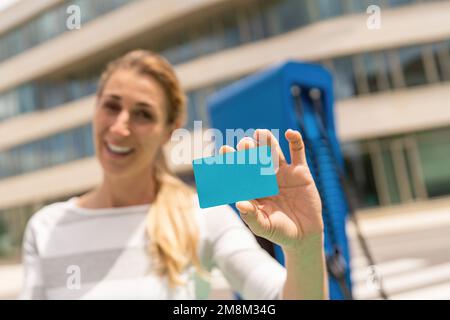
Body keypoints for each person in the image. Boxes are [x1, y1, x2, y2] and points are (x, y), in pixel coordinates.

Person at [20, 50, 328, 300]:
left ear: (169, 131)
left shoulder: (202, 215)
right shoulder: (45, 227)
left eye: (143, 114)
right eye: (111, 106)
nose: (119, 127)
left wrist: (304, 247)